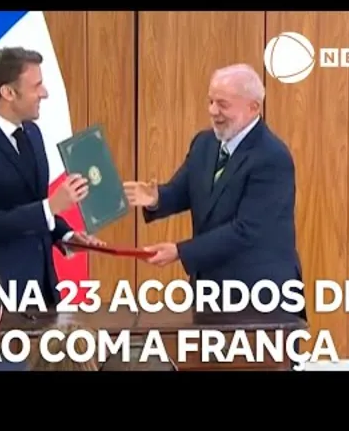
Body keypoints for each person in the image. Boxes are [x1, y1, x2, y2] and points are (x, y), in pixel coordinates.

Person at [124, 64, 304, 316]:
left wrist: (180, 251)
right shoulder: (204, 143)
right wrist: (156, 198)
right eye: (210, 101)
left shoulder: (272, 157)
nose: (212, 111)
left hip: (258, 294)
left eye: (222, 104)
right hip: (210, 290)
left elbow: (247, 230)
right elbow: (184, 190)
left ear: (253, 107)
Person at [0, 47, 102, 306]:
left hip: (41, 289)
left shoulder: (32, 133)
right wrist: (50, 207)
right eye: (36, 86)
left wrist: (65, 236)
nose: (45, 93)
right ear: (8, 92)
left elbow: (30, 204)